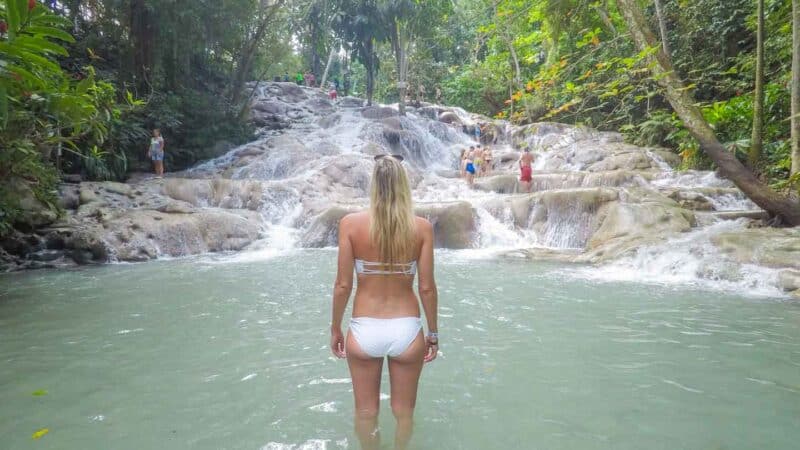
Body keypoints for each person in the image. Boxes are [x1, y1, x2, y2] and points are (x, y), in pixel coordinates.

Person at [331, 154, 438, 450]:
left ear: (373, 186)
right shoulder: (422, 228)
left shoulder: (350, 225)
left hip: (364, 328)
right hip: (407, 329)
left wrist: (335, 328)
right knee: (404, 413)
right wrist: (433, 334)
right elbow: (427, 288)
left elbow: (342, 285)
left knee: (366, 412)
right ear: (404, 185)